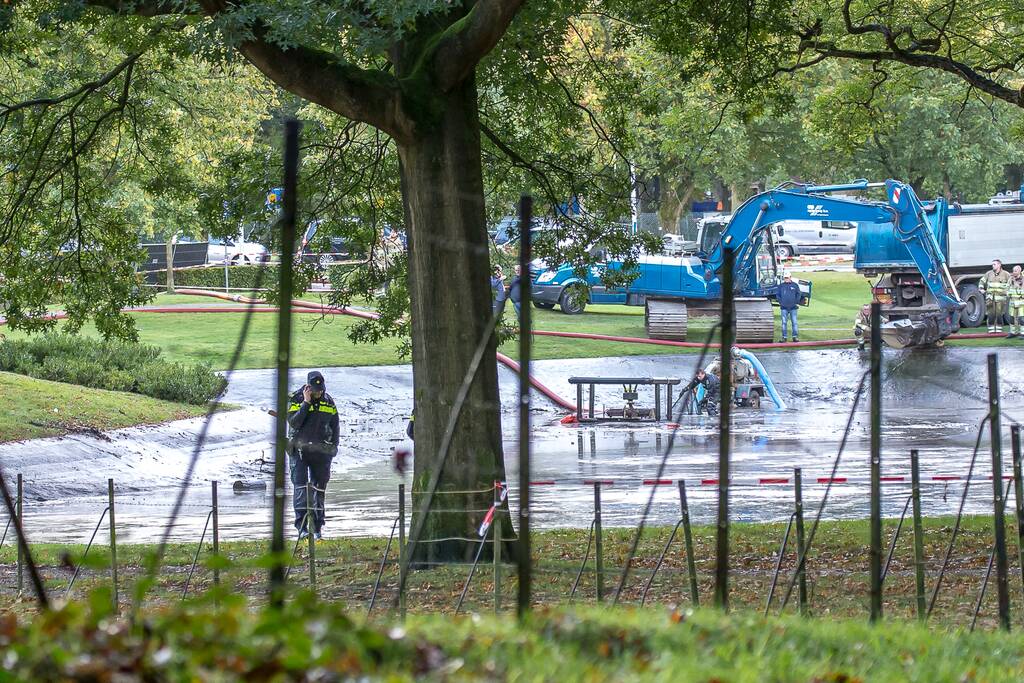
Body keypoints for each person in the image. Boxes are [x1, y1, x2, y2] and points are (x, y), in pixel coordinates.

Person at [287, 371, 339, 540]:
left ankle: (317, 528)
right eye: (316, 390)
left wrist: (333, 447)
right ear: (308, 388)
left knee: (319, 489)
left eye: (321, 390)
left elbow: (335, 425)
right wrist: (306, 404)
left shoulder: (329, 402)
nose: (319, 393)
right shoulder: (296, 399)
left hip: (321, 453)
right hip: (299, 451)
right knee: (301, 488)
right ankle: (302, 528)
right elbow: (294, 422)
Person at [980, 259, 1012, 333]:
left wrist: (1008, 292)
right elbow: (982, 281)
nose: (993, 266)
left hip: (1001, 299)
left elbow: (1011, 284)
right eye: (992, 264)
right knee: (990, 314)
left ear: (999, 265)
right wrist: (981, 288)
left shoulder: (1006, 274)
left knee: (999, 314)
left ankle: (999, 330)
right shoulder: (989, 274)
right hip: (990, 298)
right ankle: (991, 330)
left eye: (994, 264)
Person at [777, 272, 802, 343]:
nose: (786, 279)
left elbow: (799, 294)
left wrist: (796, 302)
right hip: (784, 308)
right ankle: (784, 338)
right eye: (785, 278)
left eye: (787, 278)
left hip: (793, 308)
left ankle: (795, 337)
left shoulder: (795, 285)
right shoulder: (781, 286)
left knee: (794, 322)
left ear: (790, 277)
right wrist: (781, 303)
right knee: (784, 323)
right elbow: (778, 295)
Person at [1009, 265, 1024, 338]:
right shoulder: (1011, 279)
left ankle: (1023, 333)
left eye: (1015, 271)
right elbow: (1007, 288)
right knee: (1012, 318)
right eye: (1013, 270)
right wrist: (1008, 293)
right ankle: (1013, 333)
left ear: (1019, 271)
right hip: (1012, 302)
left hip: (1021, 303)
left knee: (1022, 319)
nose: (1013, 272)